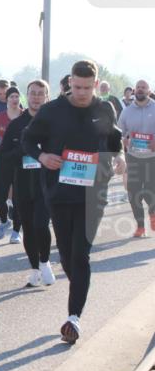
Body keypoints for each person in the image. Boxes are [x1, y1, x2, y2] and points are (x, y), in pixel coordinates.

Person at [23, 60, 125, 344]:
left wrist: (120, 158)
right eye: (76, 87)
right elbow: (27, 139)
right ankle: (77, 286)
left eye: (87, 88)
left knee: (81, 254)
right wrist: (42, 156)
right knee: (67, 255)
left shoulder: (104, 108)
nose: (81, 93)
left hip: (94, 193)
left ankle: (73, 318)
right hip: (59, 193)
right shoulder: (52, 111)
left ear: (95, 84)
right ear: (69, 83)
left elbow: (115, 141)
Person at [0, 80, 55, 287]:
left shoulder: (53, 123)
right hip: (22, 183)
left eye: (41, 93)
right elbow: (3, 156)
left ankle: (45, 262)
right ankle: (34, 269)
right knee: (29, 228)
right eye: (33, 93)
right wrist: (25, 150)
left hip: (46, 184)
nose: (36, 97)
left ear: (47, 97)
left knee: (41, 224)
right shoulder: (16, 125)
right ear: (26, 96)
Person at [0, 86, 24, 243]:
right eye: (11, 97)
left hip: (21, 161)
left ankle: (16, 232)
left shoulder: (25, 116)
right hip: (3, 159)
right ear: (6, 100)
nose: (14, 99)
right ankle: (4, 221)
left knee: (18, 197)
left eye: (17, 96)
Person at [118, 79, 155, 237]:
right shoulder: (127, 111)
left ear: (149, 90)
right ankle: (140, 226)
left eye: (144, 87)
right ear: (134, 91)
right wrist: (124, 139)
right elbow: (119, 131)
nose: (140, 90)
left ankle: (153, 214)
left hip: (152, 157)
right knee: (133, 193)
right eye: (138, 87)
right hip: (132, 156)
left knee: (150, 191)